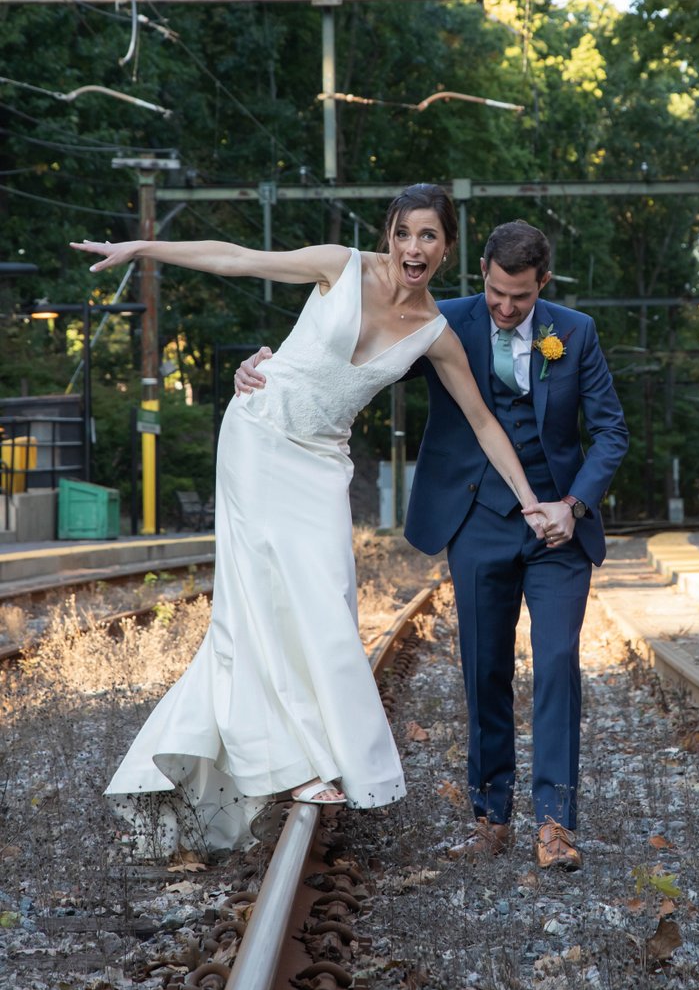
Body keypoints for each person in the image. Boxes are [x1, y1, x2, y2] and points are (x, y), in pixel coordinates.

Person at [71, 186, 566, 853]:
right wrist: (143, 248)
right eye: (402, 234)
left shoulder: (436, 333)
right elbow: (239, 258)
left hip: (320, 463)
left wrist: (531, 497)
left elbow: (483, 421)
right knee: (259, 604)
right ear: (387, 236)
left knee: (328, 599)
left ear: (448, 247)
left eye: (427, 237)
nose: (412, 248)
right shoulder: (342, 265)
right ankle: (304, 765)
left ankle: (277, 753)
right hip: (259, 433)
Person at [237, 219, 629, 871]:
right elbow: (352, 357)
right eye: (498, 293)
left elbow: (611, 433)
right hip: (476, 521)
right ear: (481, 272)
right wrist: (269, 367)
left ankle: (556, 823)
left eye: (521, 298)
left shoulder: (576, 333)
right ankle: (490, 817)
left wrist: (573, 504)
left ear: (544, 284)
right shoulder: (440, 321)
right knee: (485, 670)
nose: (506, 309)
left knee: (557, 660)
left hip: (557, 528)